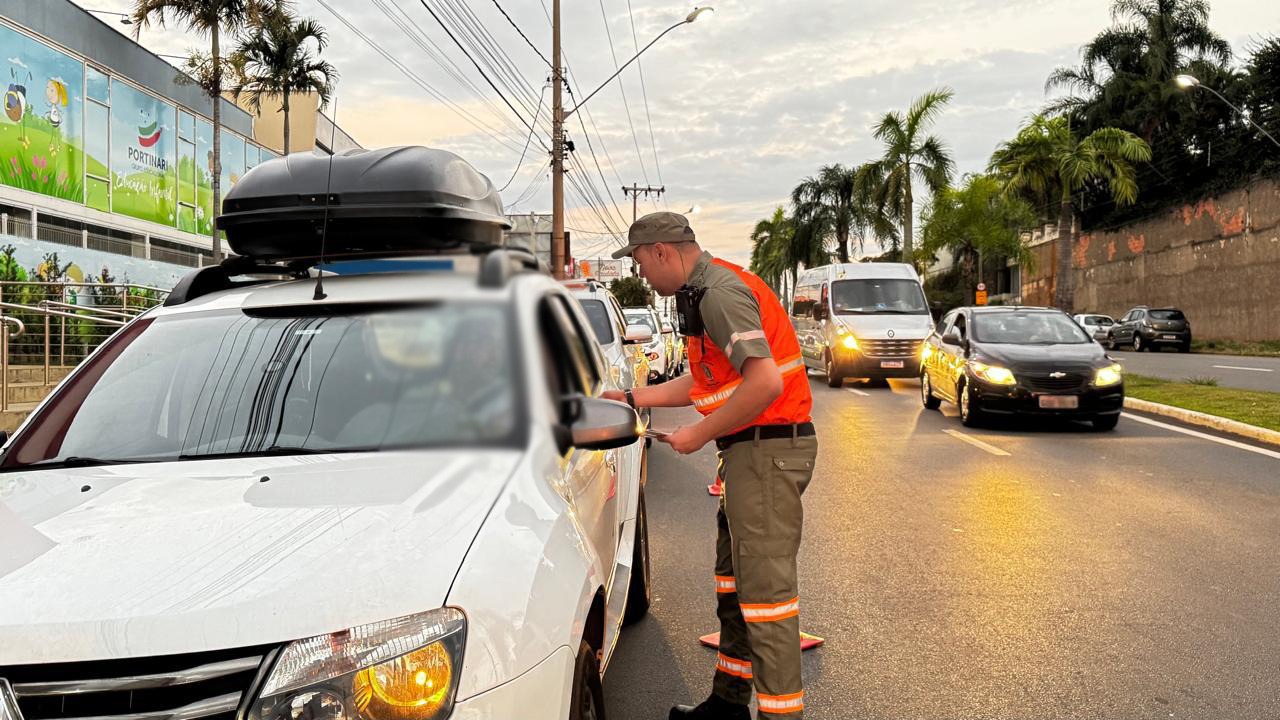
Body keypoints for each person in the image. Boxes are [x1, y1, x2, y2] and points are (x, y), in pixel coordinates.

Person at [603, 212, 817, 719]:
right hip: (748, 453)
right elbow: (702, 384)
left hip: (768, 450)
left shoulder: (719, 293)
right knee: (734, 586)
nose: (642, 276)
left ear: (662, 251)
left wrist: (698, 434)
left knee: (766, 601)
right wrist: (631, 395)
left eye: (640, 263)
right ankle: (726, 704)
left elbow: (765, 384)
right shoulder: (699, 296)